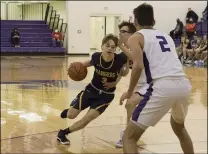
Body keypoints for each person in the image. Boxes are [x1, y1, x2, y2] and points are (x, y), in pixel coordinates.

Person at [120, 3, 194, 154]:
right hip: (184, 85)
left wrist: (129, 92)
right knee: (179, 128)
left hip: (162, 86)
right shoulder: (166, 36)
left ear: (135, 22)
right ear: (153, 21)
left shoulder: (135, 37)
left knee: (129, 137)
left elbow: (138, 66)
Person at [57, 34, 130, 145]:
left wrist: (115, 81)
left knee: (87, 118)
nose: (110, 48)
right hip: (91, 90)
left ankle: (63, 133)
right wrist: (74, 68)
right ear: (102, 47)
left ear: (116, 49)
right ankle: (69, 111)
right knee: (71, 115)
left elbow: (124, 73)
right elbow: (85, 64)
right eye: (107, 45)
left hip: (106, 96)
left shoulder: (120, 59)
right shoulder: (96, 57)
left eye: (113, 46)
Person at [114, 21, 145, 148]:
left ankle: (128, 135)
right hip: (140, 83)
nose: (121, 34)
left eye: (124, 32)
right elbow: (126, 72)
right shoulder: (125, 52)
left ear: (132, 34)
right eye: (120, 32)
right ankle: (129, 134)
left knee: (130, 104)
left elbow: (136, 58)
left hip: (152, 82)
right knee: (130, 105)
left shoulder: (140, 44)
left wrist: (121, 46)